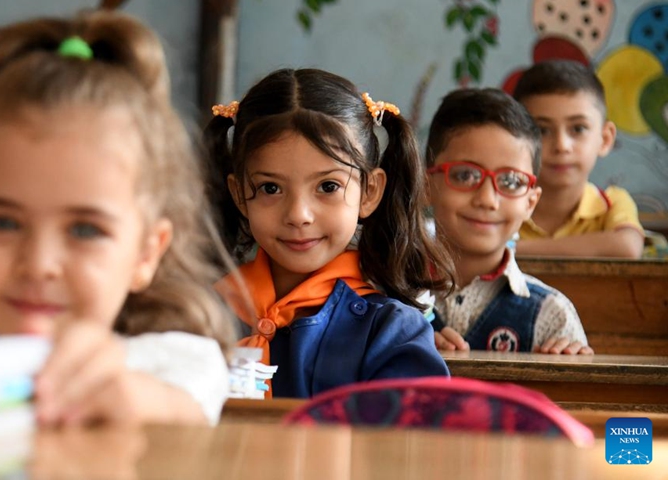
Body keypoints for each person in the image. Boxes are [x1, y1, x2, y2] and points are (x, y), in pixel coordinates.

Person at [0, 10, 234, 426]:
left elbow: (183, 413)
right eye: (2, 223)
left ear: (146, 253)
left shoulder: (171, 361)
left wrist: (128, 396)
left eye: (85, 229)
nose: (39, 264)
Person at [204, 68, 454, 399]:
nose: (298, 215)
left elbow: (411, 445)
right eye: (270, 187)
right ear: (239, 195)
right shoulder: (200, 314)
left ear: (369, 192)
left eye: (328, 186)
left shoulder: (392, 332)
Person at [425, 88, 592, 355]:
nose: (488, 200)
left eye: (511, 181)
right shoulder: (386, 294)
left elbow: (576, 396)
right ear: (425, 186)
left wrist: (565, 370)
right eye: (465, 175)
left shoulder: (552, 315)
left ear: (530, 202)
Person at [512, 60, 644, 258]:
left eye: (578, 129)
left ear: (605, 139)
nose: (562, 146)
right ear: (515, 139)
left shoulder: (612, 203)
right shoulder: (503, 202)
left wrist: (509, 251)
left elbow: (627, 247)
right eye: (542, 130)